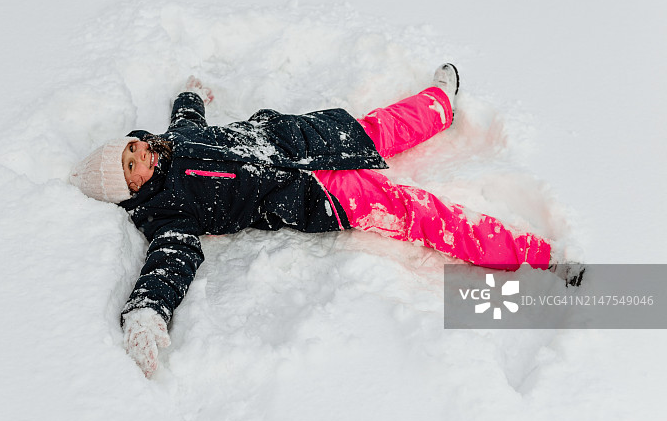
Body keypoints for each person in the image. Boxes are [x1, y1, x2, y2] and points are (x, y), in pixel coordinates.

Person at [69, 64, 584, 378]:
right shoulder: (169, 216)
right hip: (317, 194)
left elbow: (186, 121)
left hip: (305, 139)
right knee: (419, 213)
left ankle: (441, 104)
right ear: (130, 193)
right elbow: (169, 262)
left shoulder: (173, 140)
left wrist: (190, 98)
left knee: (381, 127)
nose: (143, 156)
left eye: (133, 148)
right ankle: (538, 255)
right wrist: (146, 312)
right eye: (132, 167)